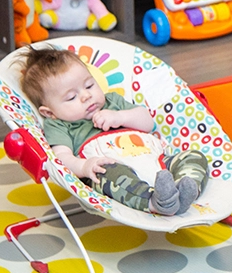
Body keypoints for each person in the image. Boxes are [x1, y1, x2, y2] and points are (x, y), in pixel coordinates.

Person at [19, 46, 208, 216]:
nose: (86, 96)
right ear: (49, 112)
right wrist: (85, 166)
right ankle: (155, 202)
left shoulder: (113, 102)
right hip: (113, 169)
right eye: (71, 97)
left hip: (156, 160)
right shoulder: (59, 124)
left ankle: (184, 191)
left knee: (194, 157)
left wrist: (120, 117)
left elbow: (148, 123)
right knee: (111, 176)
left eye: (89, 85)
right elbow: (61, 158)